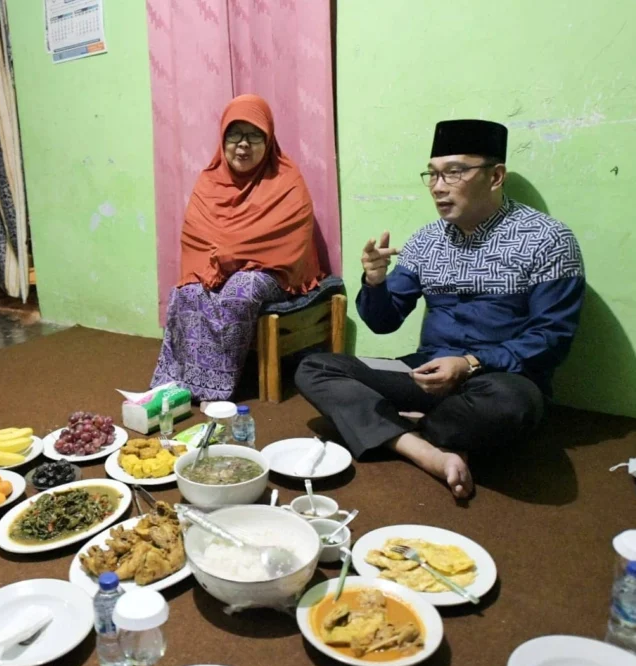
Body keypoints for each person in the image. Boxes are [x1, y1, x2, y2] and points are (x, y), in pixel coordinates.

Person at [295, 119, 585, 499]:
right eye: (432, 175)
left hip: (495, 379)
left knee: (513, 406)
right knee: (315, 366)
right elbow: (383, 322)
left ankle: (391, 426)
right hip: (424, 372)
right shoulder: (426, 241)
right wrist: (375, 282)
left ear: (495, 176)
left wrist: (468, 364)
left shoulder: (548, 240)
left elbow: (552, 339)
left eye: (454, 172)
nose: (438, 187)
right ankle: (423, 447)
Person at [151, 94, 323, 401]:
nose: (243, 145)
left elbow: (289, 239)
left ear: (268, 139)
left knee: (241, 288)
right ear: (223, 138)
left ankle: (213, 390)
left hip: (271, 274)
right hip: (215, 269)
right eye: (234, 134)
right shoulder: (209, 180)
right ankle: (175, 384)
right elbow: (196, 234)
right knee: (186, 290)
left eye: (254, 135)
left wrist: (231, 254)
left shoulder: (287, 180)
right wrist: (223, 258)